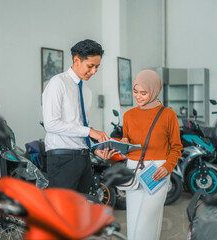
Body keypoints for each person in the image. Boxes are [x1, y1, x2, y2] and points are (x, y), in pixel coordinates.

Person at [42, 39, 116, 193]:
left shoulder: (86, 92)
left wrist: (94, 149)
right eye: (91, 66)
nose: (94, 71)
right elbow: (51, 123)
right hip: (62, 159)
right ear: (76, 59)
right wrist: (90, 131)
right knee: (61, 212)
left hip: (83, 158)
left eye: (97, 67)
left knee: (80, 210)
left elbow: (78, 127)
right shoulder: (58, 83)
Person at [120, 69, 183, 240]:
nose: (138, 97)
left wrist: (167, 167)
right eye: (135, 91)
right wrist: (124, 143)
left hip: (157, 172)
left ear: (154, 90)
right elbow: (129, 144)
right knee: (133, 221)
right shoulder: (128, 115)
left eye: (143, 93)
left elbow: (177, 147)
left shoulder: (168, 115)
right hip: (133, 170)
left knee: (145, 222)